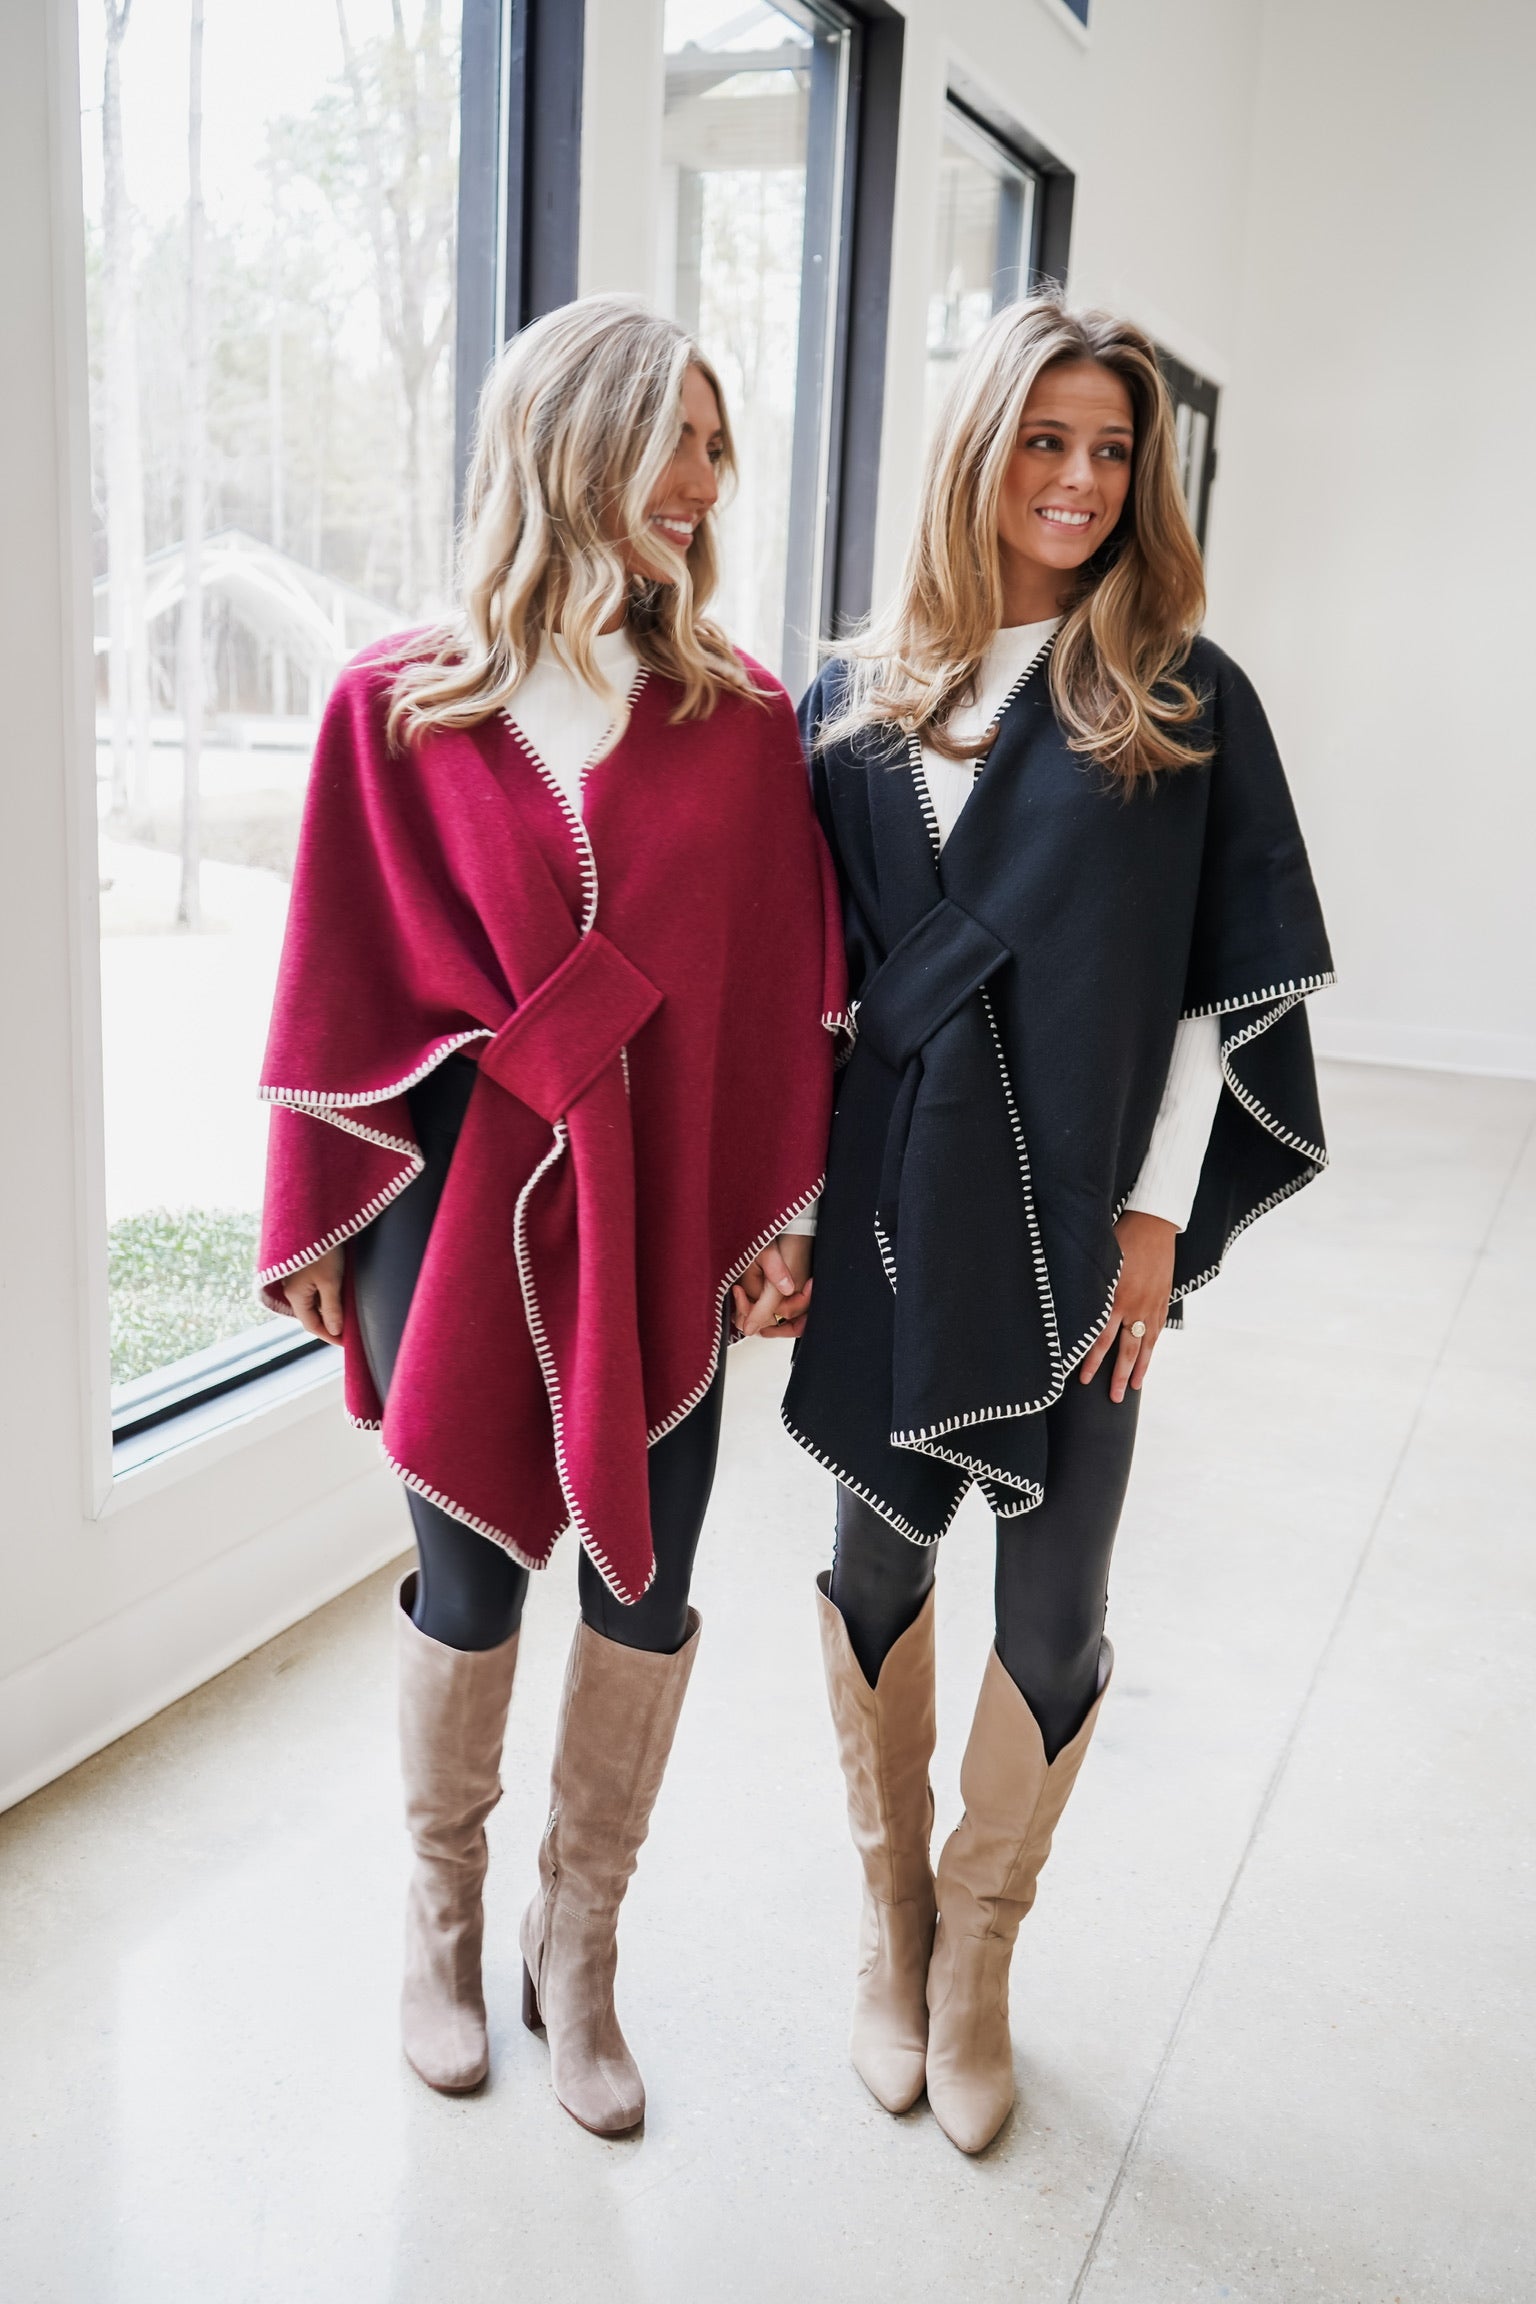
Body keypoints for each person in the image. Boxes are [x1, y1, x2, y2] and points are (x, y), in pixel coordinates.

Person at [256, 296, 843, 2134]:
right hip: (452, 1212)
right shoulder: (394, 707)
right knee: (463, 1579)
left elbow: (779, 991)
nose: (702, 481)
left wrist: (784, 1216)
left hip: (660, 1209)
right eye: (673, 438)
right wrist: (324, 1227)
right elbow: (332, 986)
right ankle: (442, 1921)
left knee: (647, 1580)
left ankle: (576, 1944)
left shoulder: (742, 721)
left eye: (716, 448)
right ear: (570, 436)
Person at [780, 297, 1332, 2155]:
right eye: (1048, 440)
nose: (1082, 481)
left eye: (1114, 450)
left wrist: (1160, 1217)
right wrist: (793, 1217)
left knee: (1059, 1595)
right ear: (979, 447)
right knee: (875, 1563)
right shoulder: (852, 701)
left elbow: (1213, 991)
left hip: (1083, 1220)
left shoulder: (1180, 696)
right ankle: (893, 1929)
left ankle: (980, 1957)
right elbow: (808, 991)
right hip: (886, 1210)